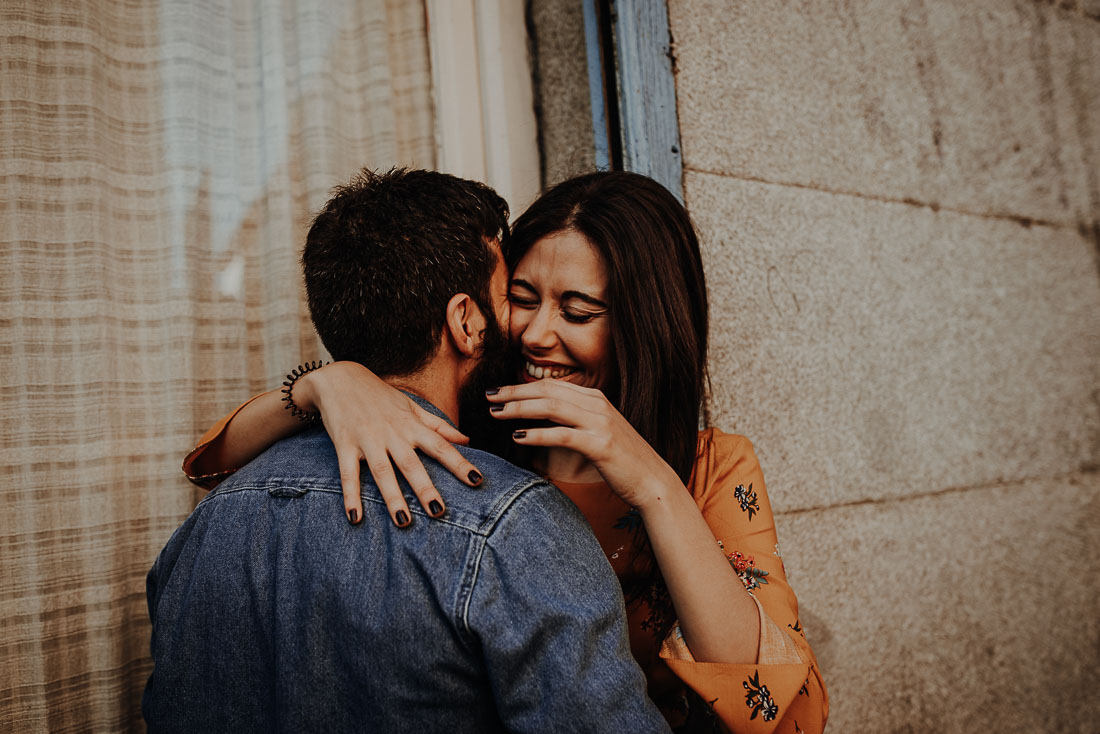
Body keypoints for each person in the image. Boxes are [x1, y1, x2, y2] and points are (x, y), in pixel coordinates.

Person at [184, 171, 829, 732]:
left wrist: (654, 486)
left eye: (578, 312)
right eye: (522, 299)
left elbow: (785, 710)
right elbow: (213, 466)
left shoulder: (712, 468)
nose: (536, 334)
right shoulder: (465, 444)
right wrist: (328, 383)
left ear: (644, 324)